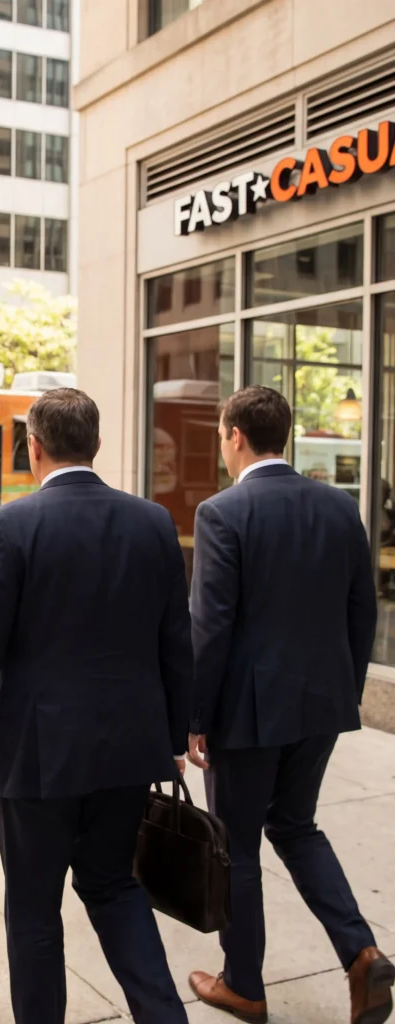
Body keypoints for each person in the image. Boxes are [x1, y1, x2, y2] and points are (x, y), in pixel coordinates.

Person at [0, 388, 190, 1024]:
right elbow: (176, 642)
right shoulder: (153, 521)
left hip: (37, 758)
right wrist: (176, 737)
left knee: (33, 910)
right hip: (130, 750)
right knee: (113, 886)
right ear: (97, 446)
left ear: (33, 447)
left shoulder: (10, 525)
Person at [187, 386, 391, 1024]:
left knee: (237, 846)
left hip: (247, 715)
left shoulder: (223, 512)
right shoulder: (340, 509)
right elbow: (364, 613)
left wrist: (196, 717)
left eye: (222, 436)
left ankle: (244, 985)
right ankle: (362, 954)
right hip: (320, 704)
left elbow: (210, 628)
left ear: (237, 437)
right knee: (296, 826)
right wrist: (342, 689)